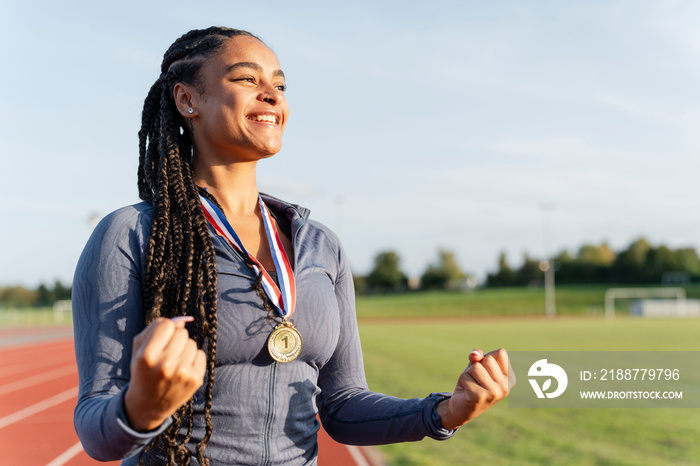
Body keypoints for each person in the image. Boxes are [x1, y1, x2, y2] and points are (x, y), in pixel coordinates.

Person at [72, 26, 512, 466]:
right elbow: (96, 431)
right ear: (188, 100)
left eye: (279, 85)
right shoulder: (131, 234)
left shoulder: (321, 246)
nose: (271, 94)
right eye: (248, 79)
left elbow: (342, 406)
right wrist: (140, 408)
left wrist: (445, 411)